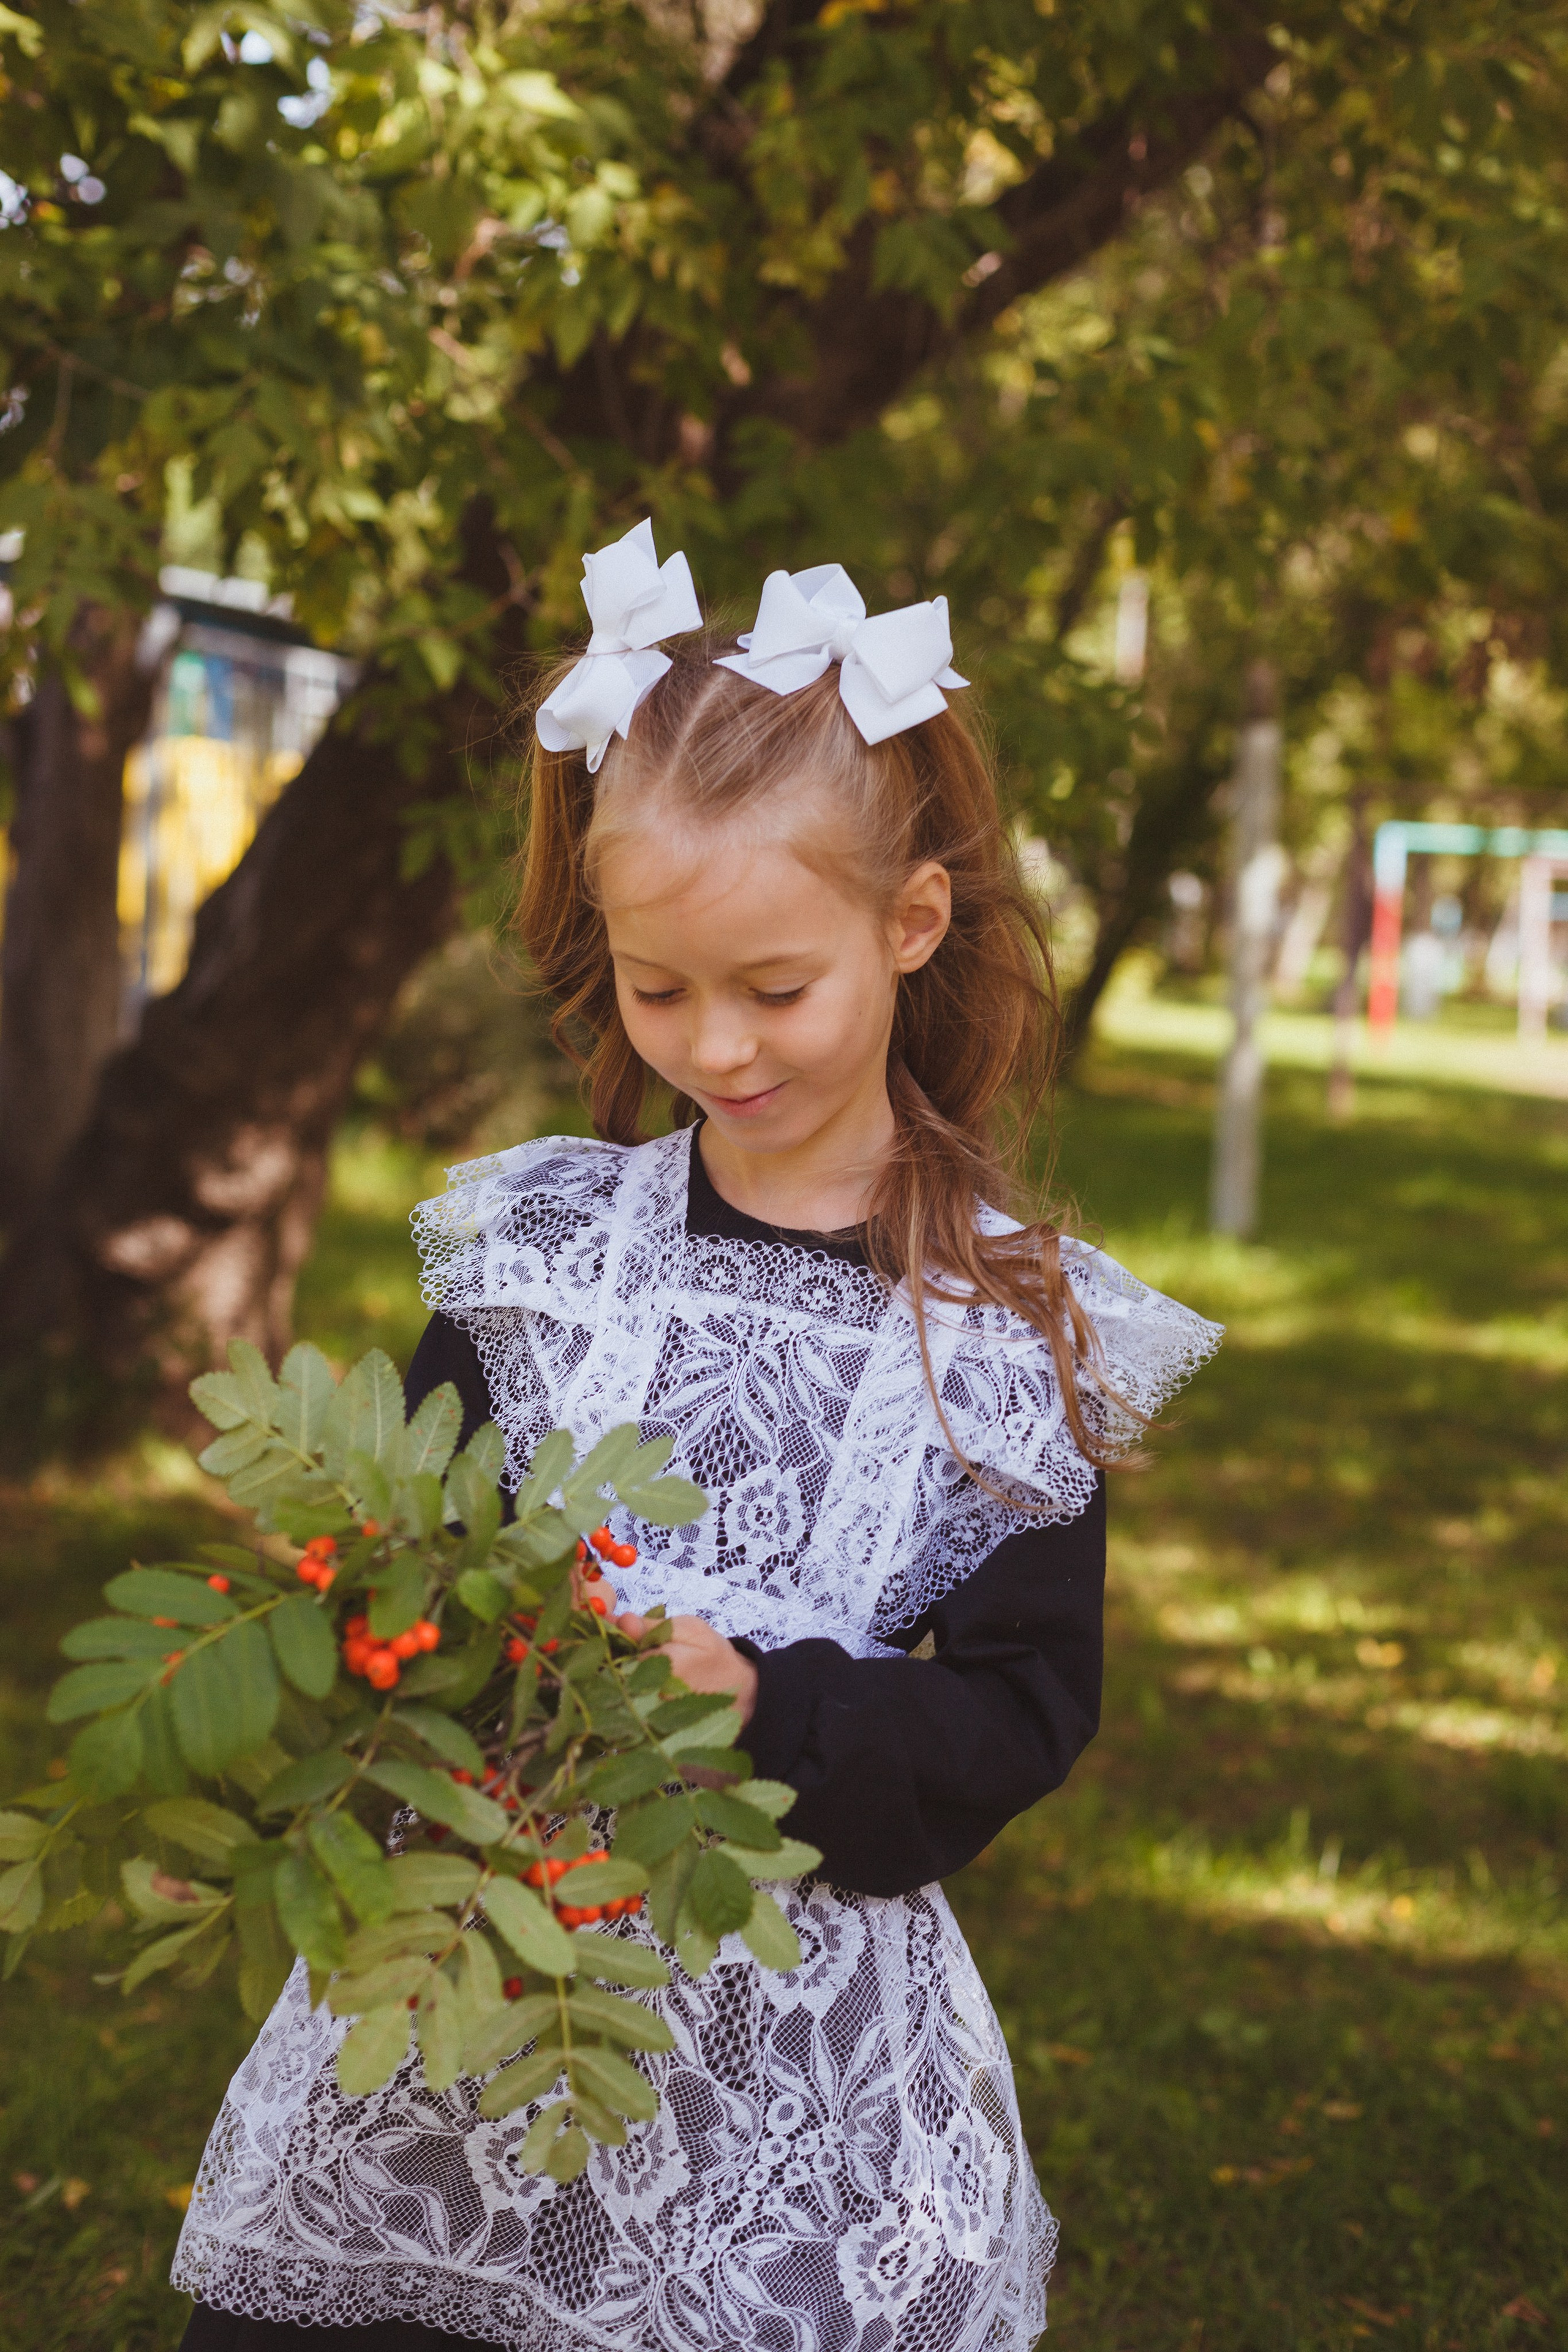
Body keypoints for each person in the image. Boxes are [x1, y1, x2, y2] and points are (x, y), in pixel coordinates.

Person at [175, 525, 1220, 2352]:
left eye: (772, 988)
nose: (715, 1046)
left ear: (911, 925)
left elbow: (1023, 1706)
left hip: (786, 2057)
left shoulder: (1007, 1333)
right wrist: (377, 1625)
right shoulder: (540, 1259)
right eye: (658, 990)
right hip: (468, 1993)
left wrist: (768, 1705)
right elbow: (430, 1559)